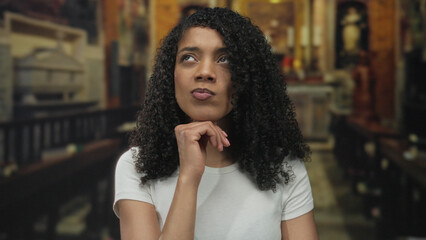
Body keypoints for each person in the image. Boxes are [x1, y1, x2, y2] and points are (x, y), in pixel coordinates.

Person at [114, 7, 318, 240]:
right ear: (171, 74)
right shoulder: (137, 166)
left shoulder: (284, 168)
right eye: (189, 58)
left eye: (225, 59)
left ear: (247, 77)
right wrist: (189, 178)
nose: (205, 72)